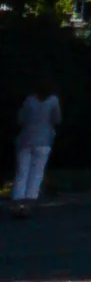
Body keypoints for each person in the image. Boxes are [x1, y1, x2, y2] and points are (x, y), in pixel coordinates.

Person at [12, 80, 61, 213]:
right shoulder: (53, 101)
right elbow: (57, 119)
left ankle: (17, 201)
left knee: (22, 172)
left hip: (26, 139)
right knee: (37, 172)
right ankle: (28, 203)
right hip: (44, 140)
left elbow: (21, 119)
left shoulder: (30, 100)